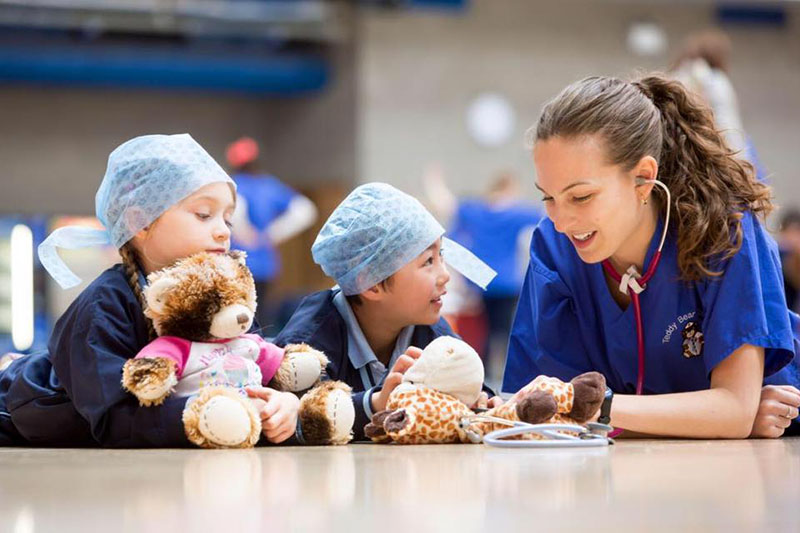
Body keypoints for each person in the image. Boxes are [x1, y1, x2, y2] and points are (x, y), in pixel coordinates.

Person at [503, 74, 800, 439]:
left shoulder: (725, 232)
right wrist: (706, 419)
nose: (561, 221)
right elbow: (547, 416)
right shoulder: (553, 250)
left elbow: (734, 411)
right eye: (548, 197)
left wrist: (598, 406)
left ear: (643, 178)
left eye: (580, 197)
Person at [0, 134, 298, 446]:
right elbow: (115, 417)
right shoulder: (105, 304)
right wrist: (210, 414)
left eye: (228, 219)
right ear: (140, 221)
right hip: (18, 411)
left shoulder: (224, 294)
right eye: (204, 214)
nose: (224, 231)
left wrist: (283, 404)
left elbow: (252, 364)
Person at [274, 183, 498, 441]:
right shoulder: (310, 340)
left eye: (442, 256)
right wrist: (375, 403)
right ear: (370, 282)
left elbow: (471, 382)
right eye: (428, 261)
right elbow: (291, 418)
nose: (445, 275)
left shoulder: (430, 329)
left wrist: (482, 399)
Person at [225, 136, 317, 332]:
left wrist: (245, 233)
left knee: (235, 317)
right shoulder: (270, 186)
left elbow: (237, 211)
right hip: (266, 265)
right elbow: (305, 210)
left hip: (235, 264)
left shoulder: (232, 185)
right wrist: (271, 235)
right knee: (262, 316)